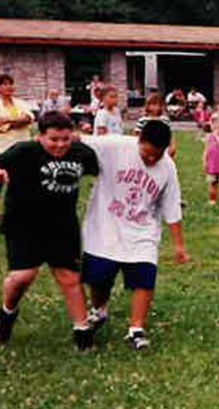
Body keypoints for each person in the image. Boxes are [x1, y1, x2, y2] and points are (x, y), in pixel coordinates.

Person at [0, 112, 101, 351]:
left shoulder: (81, 153)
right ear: (40, 137)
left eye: (65, 139)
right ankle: (7, 314)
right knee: (22, 277)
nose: (60, 145)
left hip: (62, 226)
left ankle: (82, 332)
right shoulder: (24, 151)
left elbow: (100, 170)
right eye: (53, 139)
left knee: (69, 278)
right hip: (24, 224)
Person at [79, 122, 190, 350]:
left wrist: (179, 245)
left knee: (144, 276)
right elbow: (79, 141)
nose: (151, 159)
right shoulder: (114, 146)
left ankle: (136, 328)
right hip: (106, 226)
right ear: (139, 140)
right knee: (99, 278)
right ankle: (99, 310)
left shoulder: (167, 167)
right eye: (147, 154)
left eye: (157, 155)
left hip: (142, 230)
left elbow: (171, 206)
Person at [0, 74, 34, 219]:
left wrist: (8, 120)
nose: (9, 87)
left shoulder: (21, 103)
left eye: (10, 83)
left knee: (22, 179)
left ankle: (20, 208)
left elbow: (29, 118)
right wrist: (18, 122)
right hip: (1, 148)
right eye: (4, 84)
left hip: (22, 146)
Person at [135, 92, 177, 159]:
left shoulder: (165, 120)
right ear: (148, 105)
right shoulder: (143, 120)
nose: (155, 107)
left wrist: (172, 147)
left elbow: (170, 135)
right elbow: (137, 136)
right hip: (147, 148)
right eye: (153, 104)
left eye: (157, 104)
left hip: (162, 147)